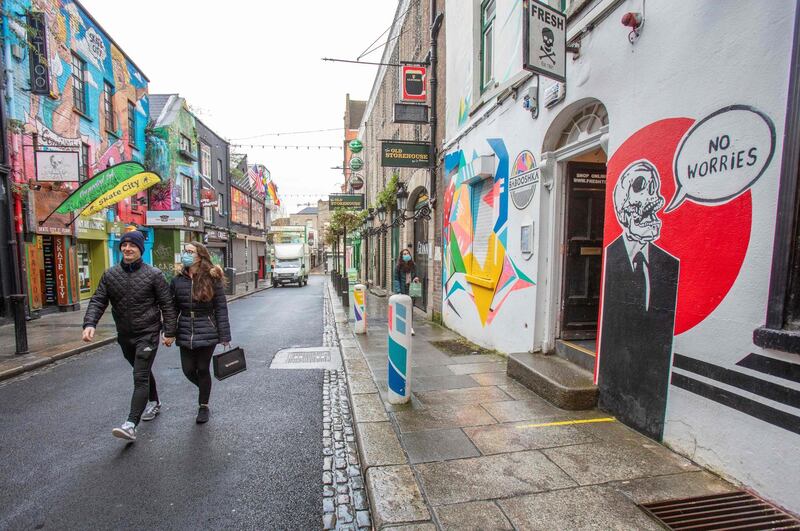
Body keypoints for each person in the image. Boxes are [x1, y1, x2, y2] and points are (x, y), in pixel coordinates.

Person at [598, 160, 679, 441]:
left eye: (654, 191)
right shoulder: (611, 256)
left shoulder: (669, 265)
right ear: (622, 206)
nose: (653, 199)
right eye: (641, 189)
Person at [82, 230, 177, 442]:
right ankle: (154, 401)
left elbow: (167, 305)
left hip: (148, 334)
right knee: (139, 370)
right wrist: (90, 323)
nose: (127, 248)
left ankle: (130, 424)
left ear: (140, 249)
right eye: (124, 245)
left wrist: (169, 331)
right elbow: (98, 300)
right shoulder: (110, 275)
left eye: (132, 245)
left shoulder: (154, 275)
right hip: (125, 335)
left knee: (140, 375)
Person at [170, 242, 231, 424]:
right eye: (185, 251)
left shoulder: (212, 277)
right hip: (185, 328)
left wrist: (224, 336)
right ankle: (205, 388)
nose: (186, 255)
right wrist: (169, 332)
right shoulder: (177, 280)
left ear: (200, 256)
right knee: (188, 370)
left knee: (203, 368)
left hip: (207, 328)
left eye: (190, 252)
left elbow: (221, 308)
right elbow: (172, 308)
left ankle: (203, 406)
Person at [395, 248, 419, 335]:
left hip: (411, 288)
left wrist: (416, 278)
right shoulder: (398, 266)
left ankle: (410, 327)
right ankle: (402, 326)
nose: (406, 255)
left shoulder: (413, 265)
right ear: (401, 256)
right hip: (402, 289)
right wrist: (398, 290)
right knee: (402, 308)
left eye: (407, 253)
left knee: (410, 308)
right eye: (404, 254)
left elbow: (415, 276)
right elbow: (396, 279)